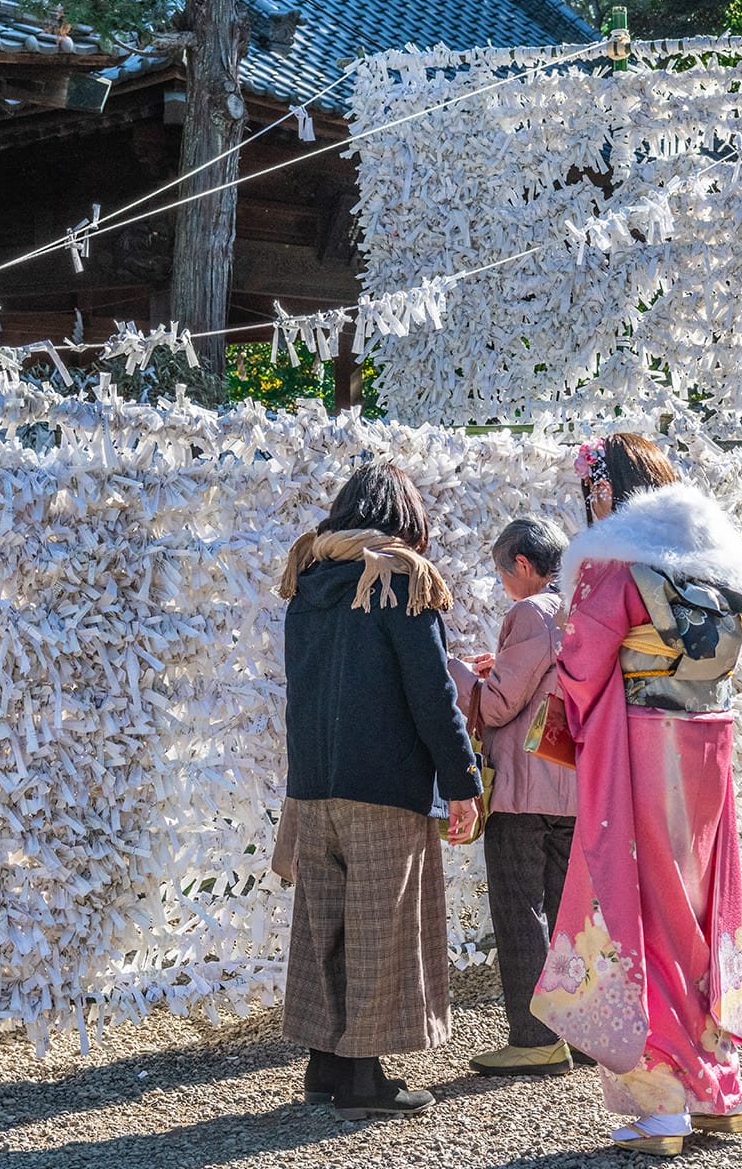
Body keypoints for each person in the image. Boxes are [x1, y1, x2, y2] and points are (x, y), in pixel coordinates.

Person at [530, 433, 742, 1157]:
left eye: (592, 490)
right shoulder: (709, 549)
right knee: (698, 901)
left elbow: (582, 663)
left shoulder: (617, 559)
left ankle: (659, 1098)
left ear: (607, 488)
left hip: (640, 738)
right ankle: (717, 1089)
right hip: (706, 734)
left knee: (642, 901)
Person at [274, 463, 482, 1119]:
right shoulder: (401, 578)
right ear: (406, 522)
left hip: (314, 787)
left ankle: (324, 1065)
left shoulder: (306, 578)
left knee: (322, 927)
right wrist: (463, 784)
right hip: (383, 783)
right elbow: (433, 696)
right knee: (379, 930)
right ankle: (364, 1079)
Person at [446, 516, 583, 1078]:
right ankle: (578, 1028)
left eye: (503, 573)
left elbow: (498, 706)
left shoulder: (532, 611)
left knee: (519, 910)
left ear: (523, 566)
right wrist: (496, 668)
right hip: (572, 784)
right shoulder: (580, 607)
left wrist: (452, 671)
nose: (503, 584)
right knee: (565, 914)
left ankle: (535, 1039)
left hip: (525, 788)